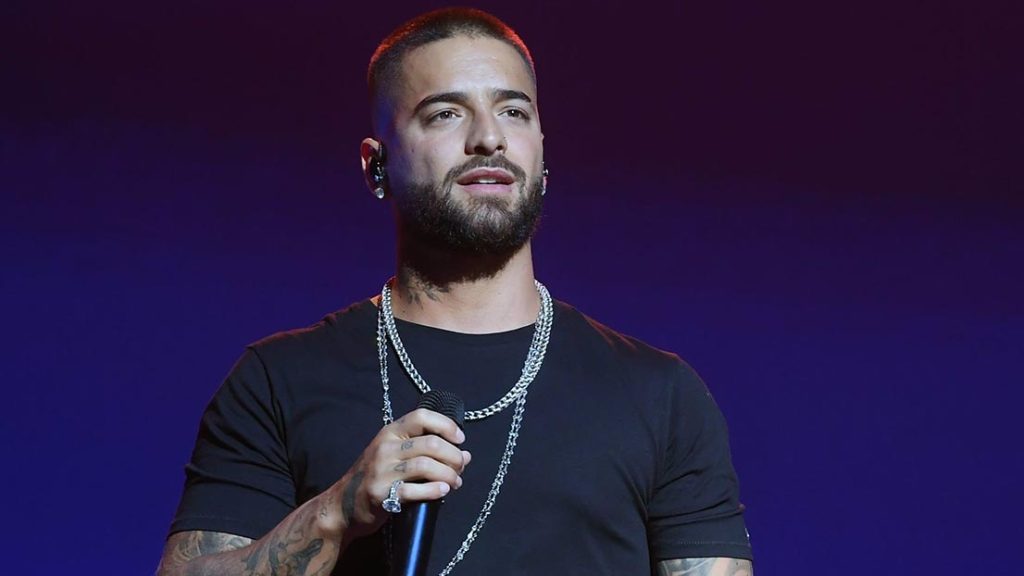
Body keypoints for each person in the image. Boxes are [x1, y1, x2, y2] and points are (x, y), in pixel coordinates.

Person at [157, 7, 753, 576]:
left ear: (543, 152)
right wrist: (335, 512)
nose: (489, 138)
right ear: (376, 165)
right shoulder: (277, 381)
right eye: (445, 113)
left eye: (514, 112)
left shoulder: (660, 396)